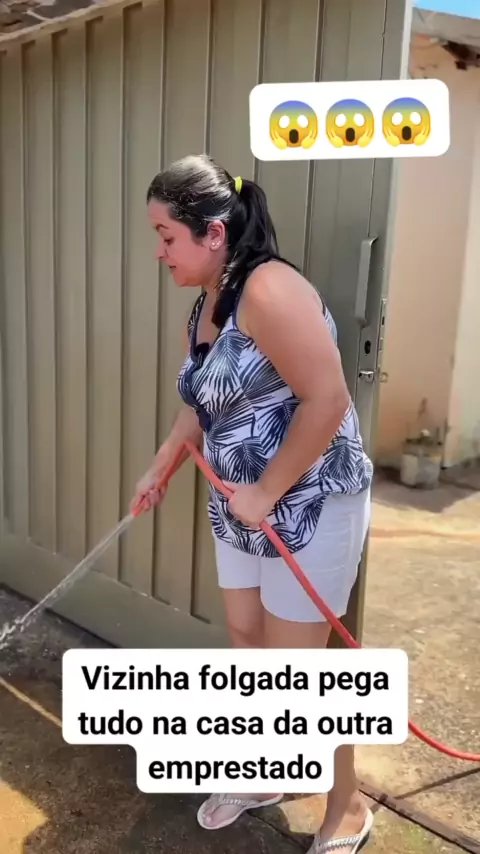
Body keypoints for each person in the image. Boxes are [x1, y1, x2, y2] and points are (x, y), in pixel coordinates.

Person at [131, 153, 374, 853]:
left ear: (213, 233)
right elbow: (201, 401)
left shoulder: (271, 291)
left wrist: (267, 492)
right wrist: (161, 467)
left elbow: (328, 399)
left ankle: (347, 807)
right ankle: (266, 771)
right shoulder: (208, 303)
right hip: (242, 505)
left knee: (300, 672)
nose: (159, 252)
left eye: (167, 236)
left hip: (310, 502)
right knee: (248, 642)